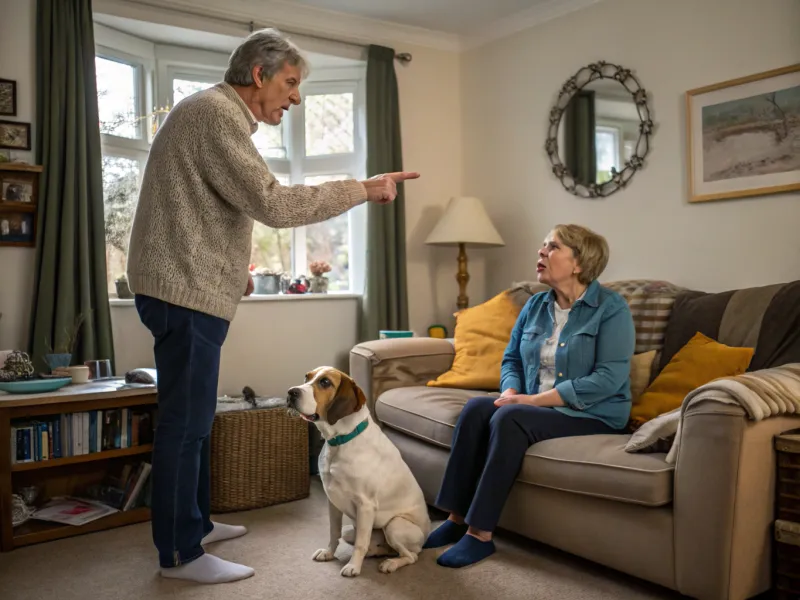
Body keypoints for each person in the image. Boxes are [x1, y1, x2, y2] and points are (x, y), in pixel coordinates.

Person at [126, 28, 419, 584]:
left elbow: (206, 206)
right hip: (182, 292)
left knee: (196, 422)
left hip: (188, 287)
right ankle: (179, 555)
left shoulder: (214, 116)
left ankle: (195, 524)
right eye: (289, 83)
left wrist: (232, 270)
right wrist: (363, 188)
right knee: (184, 427)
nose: (296, 97)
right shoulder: (214, 113)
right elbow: (273, 204)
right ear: (257, 75)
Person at [422, 224, 635, 568]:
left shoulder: (611, 309)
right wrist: (509, 391)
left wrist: (533, 401)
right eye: (543, 245)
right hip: (536, 404)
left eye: (553, 247)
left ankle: (480, 534)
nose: (541, 252)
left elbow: (609, 379)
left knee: (510, 417)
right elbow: (511, 360)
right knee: (478, 408)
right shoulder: (536, 305)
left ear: (579, 262)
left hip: (594, 413)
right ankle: (455, 518)